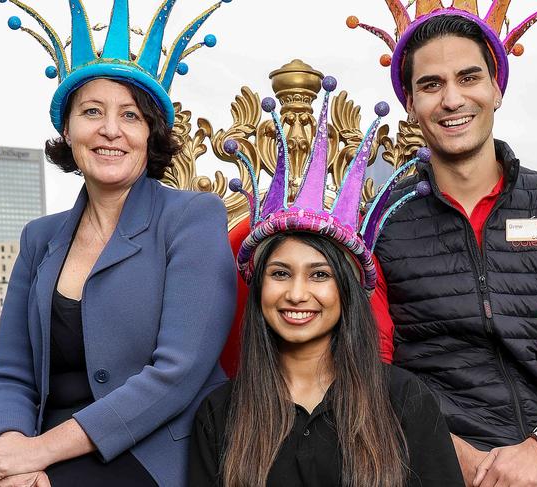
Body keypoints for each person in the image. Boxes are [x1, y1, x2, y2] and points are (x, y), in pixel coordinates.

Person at [347, 3, 537, 487]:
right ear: (409, 103)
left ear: (496, 88)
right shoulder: (380, 222)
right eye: (431, 85)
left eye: (468, 77)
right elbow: (370, 366)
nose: (452, 100)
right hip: (420, 454)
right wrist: (451, 455)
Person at [0, 1, 234, 486]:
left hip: (159, 447)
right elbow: (10, 374)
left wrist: (38, 454)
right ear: (69, 130)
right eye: (92, 112)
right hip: (45, 449)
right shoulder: (39, 238)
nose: (110, 131)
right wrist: (12, 447)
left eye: (131, 116)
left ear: (150, 133)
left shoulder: (192, 218)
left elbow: (176, 375)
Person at [189, 81, 464, 486]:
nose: (297, 294)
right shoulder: (219, 415)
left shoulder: (404, 402)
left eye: (319, 274)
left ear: (345, 292)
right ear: (259, 289)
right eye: (280, 274)